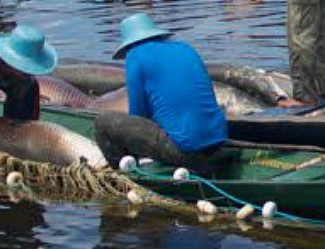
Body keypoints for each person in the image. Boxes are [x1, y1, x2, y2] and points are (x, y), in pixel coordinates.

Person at [92, 14, 228, 169]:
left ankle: (125, 174)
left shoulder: (135, 56)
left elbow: (138, 115)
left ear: (128, 45)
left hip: (186, 151)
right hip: (219, 139)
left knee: (102, 122)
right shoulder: (185, 48)